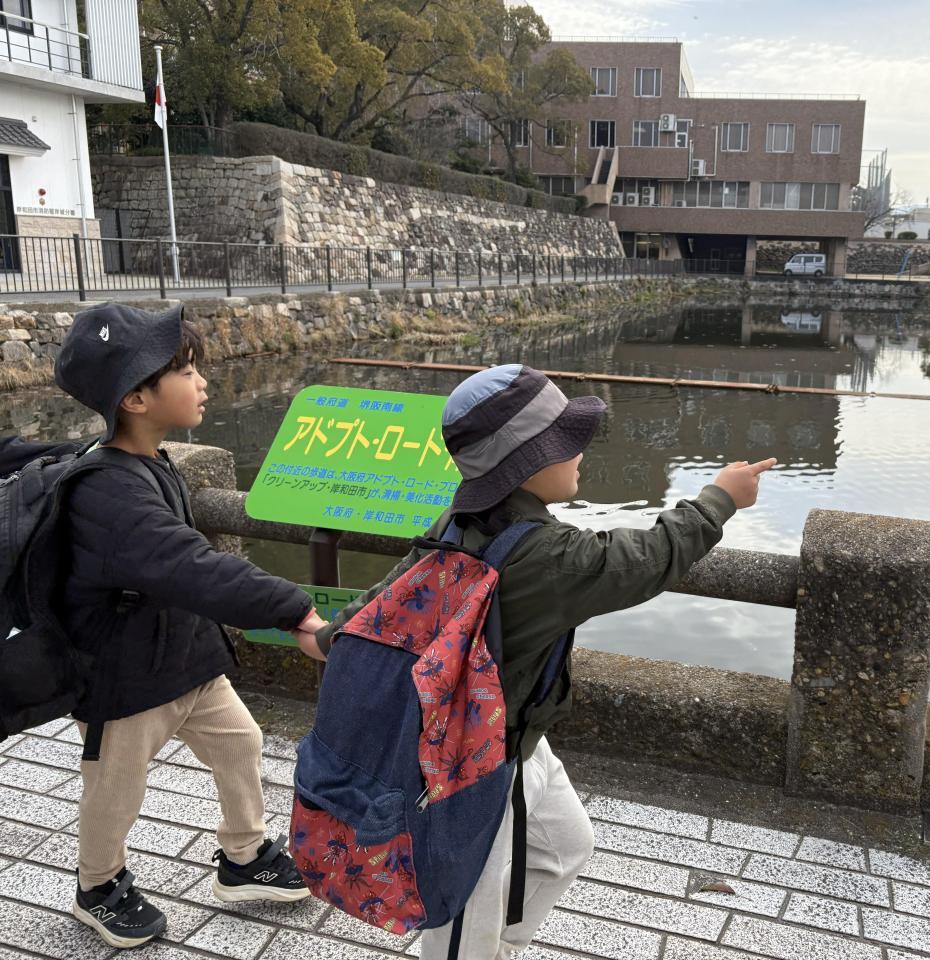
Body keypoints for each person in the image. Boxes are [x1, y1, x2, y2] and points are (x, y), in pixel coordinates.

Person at [310, 363, 775, 959]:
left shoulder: (460, 521)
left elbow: (395, 590)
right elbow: (645, 558)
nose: (580, 452)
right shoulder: (546, 557)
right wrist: (719, 500)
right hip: (474, 765)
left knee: (565, 848)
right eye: (565, 442)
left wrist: (330, 636)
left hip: (513, 737)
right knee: (465, 908)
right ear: (525, 463)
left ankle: (496, 950)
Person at [52, 303, 326, 949]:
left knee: (241, 744)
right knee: (115, 788)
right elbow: (190, 565)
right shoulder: (107, 492)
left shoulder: (153, 459)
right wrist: (295, 610)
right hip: (123, 678)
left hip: (188, 657)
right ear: (136, 398)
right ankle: (98, 885)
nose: (202, 381)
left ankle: (244, 857)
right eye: (185, 370)